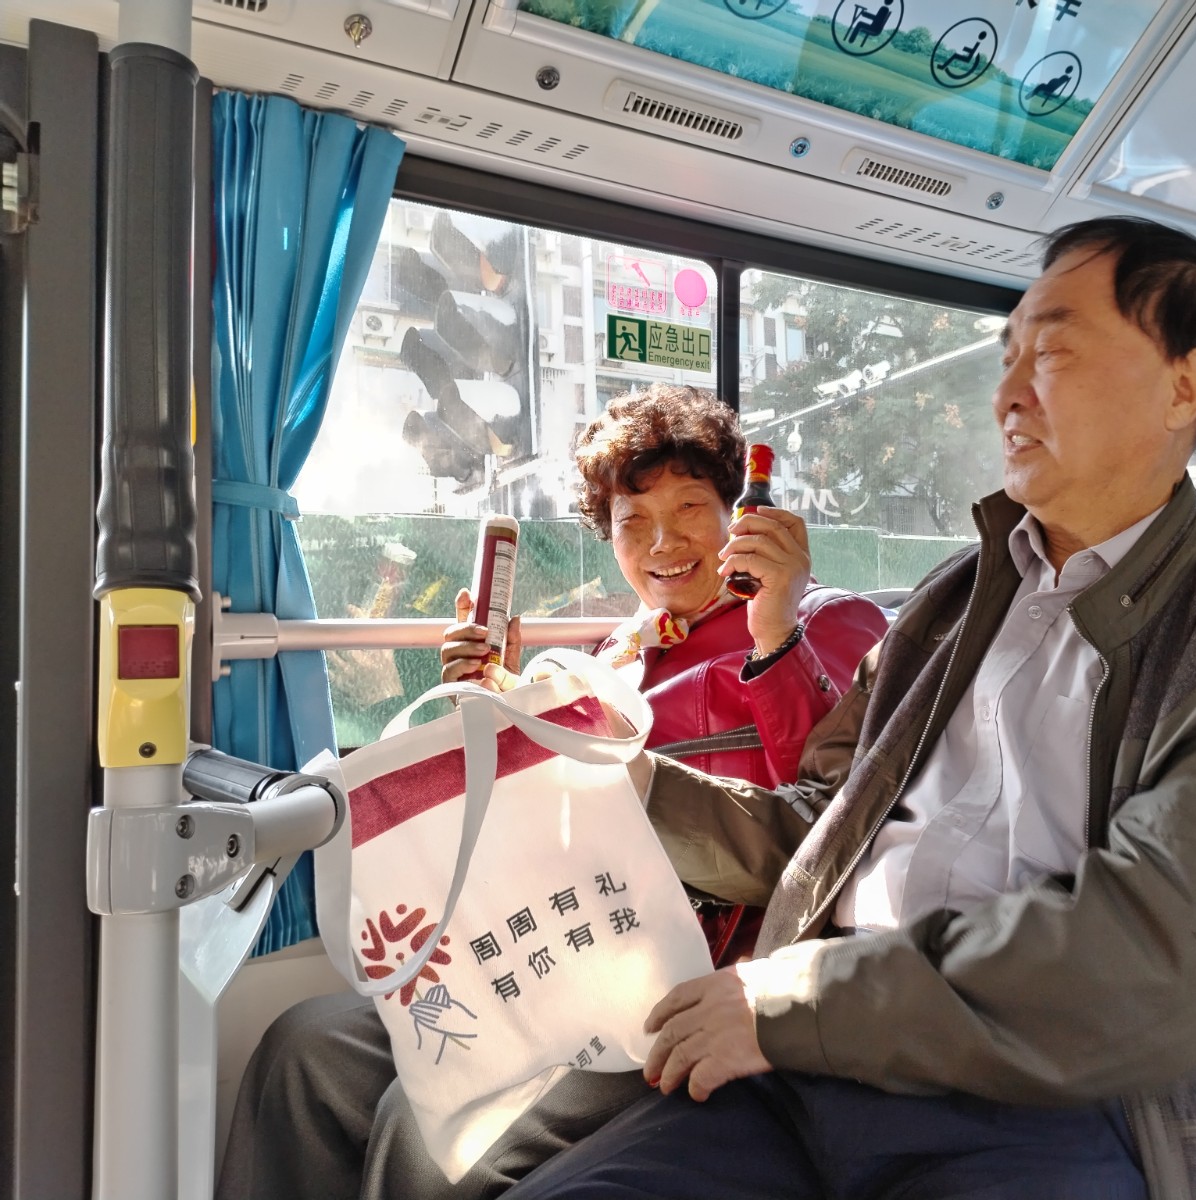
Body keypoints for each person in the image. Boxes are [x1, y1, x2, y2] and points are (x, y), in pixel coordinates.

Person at [502, 217, 1196, 1200]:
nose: (1007, 395)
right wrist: (622, 785)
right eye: (1007, 358)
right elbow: (821, 828)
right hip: (815, 1054)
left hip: (1079, 1106)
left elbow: (1151, 962)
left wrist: (798, 1002)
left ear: (1183, 386)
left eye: (1052, 354)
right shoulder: (951, 606)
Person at [217, 385, 889, 1200]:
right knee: (303, 1052)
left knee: (427, 1130)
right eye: (632, 522)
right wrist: (491, 708)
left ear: (736, 513)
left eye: (689, 509)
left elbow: (834, 817)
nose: (664, 542)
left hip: (686, 969)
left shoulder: (824, 620)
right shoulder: (615, 655)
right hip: (564, 941)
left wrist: (777, 637)